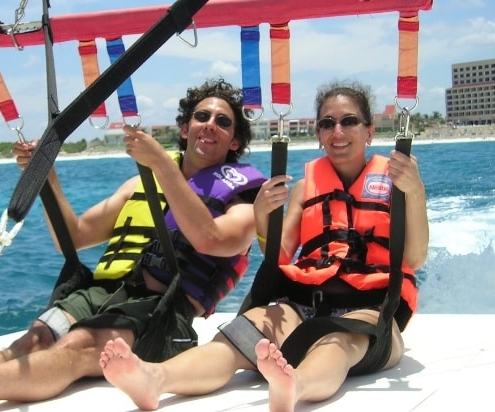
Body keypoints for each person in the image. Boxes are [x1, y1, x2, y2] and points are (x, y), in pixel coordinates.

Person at [0, 77, 266, 411]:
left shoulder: (245, 203)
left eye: (223, 122)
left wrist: (159, 161)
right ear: (185, 129)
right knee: (33, 339)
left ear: (234, 141)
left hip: (162, 311)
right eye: (201, 116)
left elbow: (212, 239)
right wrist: (47, 179)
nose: (210, 124)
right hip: (105, 293)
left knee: (80, 345)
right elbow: (74, 235)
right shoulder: (138, 185)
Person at [99, 80, 430, 412]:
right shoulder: (305, 188)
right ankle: (155, 378)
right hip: (304, 303)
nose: (337, 131)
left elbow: (414, 258)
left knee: (336, 342)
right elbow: (279, 254)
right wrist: (261, 216)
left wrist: (414, 191)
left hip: (372, 308)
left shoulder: (399, 184)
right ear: (318, 134)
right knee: (237, 336)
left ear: (369, 131)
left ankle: (295, 385)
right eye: (327, 123)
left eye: (349, 121)